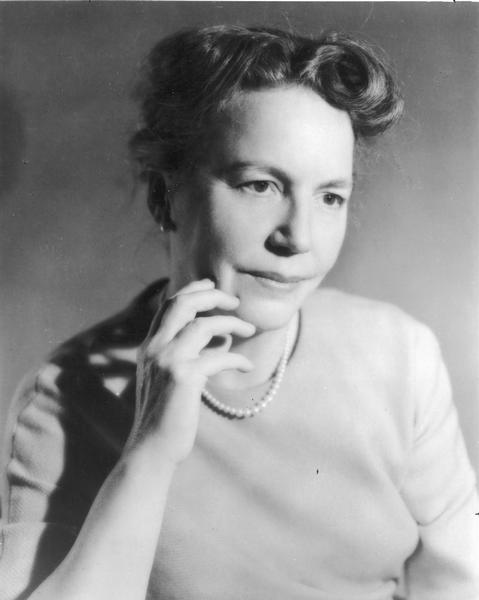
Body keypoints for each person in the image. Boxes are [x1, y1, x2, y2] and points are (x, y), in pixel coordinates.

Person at [1, 25, 478, 600]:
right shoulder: (63, 397)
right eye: (260, 186)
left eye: (331, 197)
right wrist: (150, 452)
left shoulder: (401, 355)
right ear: (164, 196)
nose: (298, 238)